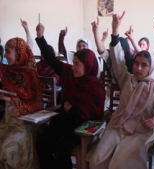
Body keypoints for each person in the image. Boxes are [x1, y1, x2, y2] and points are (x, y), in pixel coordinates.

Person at [86, 11, 154, 169]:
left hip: (140, 132)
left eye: (144, 65)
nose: (139, 68)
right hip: (117, 125)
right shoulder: (127, 78)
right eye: (136, 63)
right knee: (98, 160)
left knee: (124, 162)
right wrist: (115, 31)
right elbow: (117, 58)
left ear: (151, 66)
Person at [35, 23, 105, 169]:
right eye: (73, 63)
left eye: (77, 64)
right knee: (41, 141)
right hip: (65, 121)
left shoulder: (95, 86)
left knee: (61, 148)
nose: (73, 67)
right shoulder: (69, 74)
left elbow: (94, 116)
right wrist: (40, 37)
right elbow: (51, 59)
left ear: (88, 65)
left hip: (81, 128)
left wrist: (72, 110)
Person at [0, 37, 43, 169]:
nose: (5, 56)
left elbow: (33, 105)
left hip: (24, 126)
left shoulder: (29, 75)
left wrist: (6, 98)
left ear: (19, 53)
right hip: (8, 122)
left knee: (5, 149)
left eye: (8, 52)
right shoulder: (10, 71)